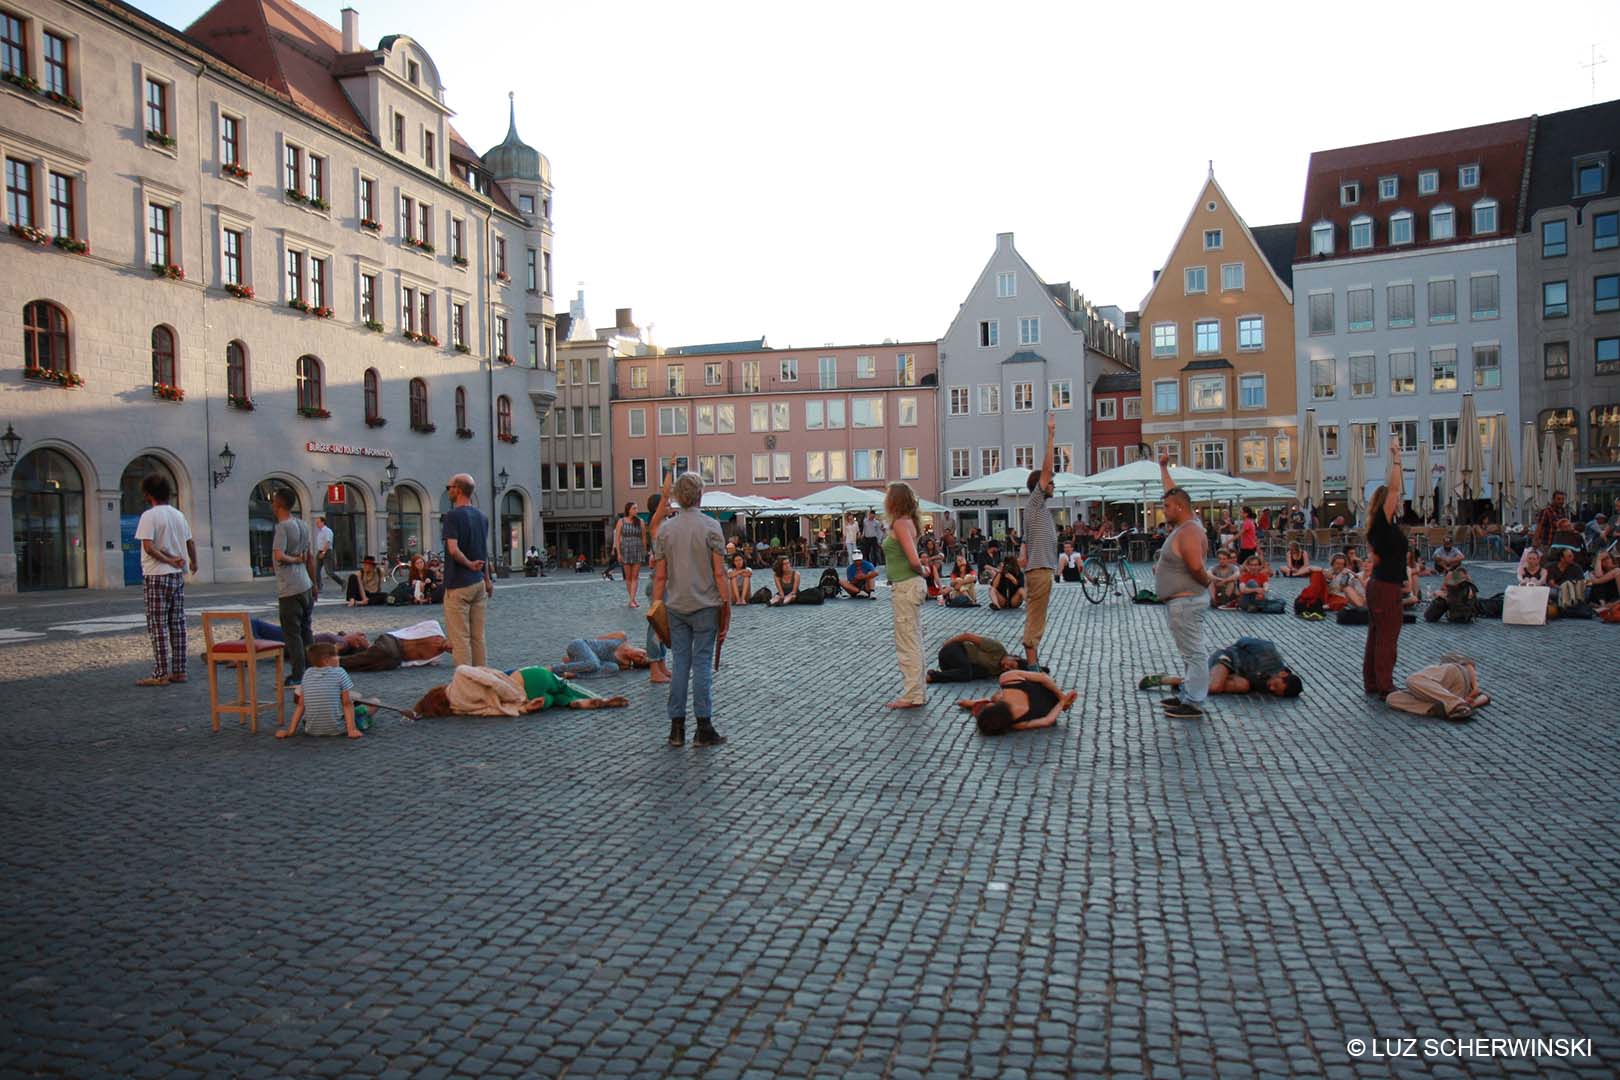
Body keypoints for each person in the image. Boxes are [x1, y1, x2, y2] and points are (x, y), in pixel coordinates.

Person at [652, 472, 730, 747]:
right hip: (706, 605)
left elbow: (660, 577)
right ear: (699, 495)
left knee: (680, 665)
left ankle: (676, 729)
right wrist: (727, 606)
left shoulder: (665, 530)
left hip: (676, 605)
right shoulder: (711, 526)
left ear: (677, 497)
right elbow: (719, 574)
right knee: (702, 664)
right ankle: (703, 727)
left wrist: (655, 611)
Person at [1154, 449, 1213, 719]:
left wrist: (1207, 582)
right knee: (1189, 652)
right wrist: (1163, 468)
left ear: (1179, 508)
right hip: (1182, 601)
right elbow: (1173, 493)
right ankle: (1188, 694)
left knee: (1194, 652)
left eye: (1166, 507)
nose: (1163, 511)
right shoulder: (1188, 524)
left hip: (1187, 601)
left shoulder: (1189, 531)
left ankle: (1194, 701)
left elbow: (1196, 567)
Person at [132, 473, 197, 687]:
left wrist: (168, 560)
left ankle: (160, 673)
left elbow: (148, 547)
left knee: (158, 625)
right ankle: (179, 671)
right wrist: (193, 562)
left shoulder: (149, 516)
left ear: (149, 494)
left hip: (156, 574)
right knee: (177, 624)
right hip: (177, 575)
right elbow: (190, 542)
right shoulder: (178, 515)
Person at [411, 664, 629, 718]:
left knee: (555, 698)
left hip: (528, 701)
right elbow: (492, 681)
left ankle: (573, 703)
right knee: (562, 684)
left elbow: (491, 711)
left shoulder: (460, 708)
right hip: (523, 680)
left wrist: (522, 707)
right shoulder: (460, 674)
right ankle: (597, 699)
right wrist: (515, 694)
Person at [1363, 439, 1408, 698]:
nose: (1399, 499)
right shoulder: (1382, 522)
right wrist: (1397, 457)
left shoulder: (1378, 527)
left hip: (1379, 585)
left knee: (1377, 635)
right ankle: (1384, 685)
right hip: (1386, 586)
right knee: (1387, 637)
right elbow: (1393, 488)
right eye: (1395, 499)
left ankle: (1373, 681)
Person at [882, 481, 929, 710]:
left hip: (905, 586)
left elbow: (913, 559)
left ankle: (913, 694)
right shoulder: (908, 522)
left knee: (907, 642)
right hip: (908, 585)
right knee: (913, 639)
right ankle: (917, 692)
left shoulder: (901, 523)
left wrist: (923, 570)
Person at [1018, 413, 1059, 670]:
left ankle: (1033, 660)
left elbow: (1025, 538)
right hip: (1040, 570)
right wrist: (1051, 435)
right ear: (1040, 486)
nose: (1053, 485)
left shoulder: (1036, 509)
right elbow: (1046, 469)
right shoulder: (1035, 502)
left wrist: (1023, 552)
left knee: (1037, 615)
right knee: (1036, 617)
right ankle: (1032, 665)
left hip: (1039, 569)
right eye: (1051, 483)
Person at [1139, 636, 1304, 698]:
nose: (1271, 689)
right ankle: (1167, 680)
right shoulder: (1268, 651)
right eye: (1276, 685)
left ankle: (1186, 682)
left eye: (1276, 692)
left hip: (1237, 674)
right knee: (1215, 687)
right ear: (1282, 675)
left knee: (1243, 686)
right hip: (1227, 658)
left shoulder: (1270, 682)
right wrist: (1238, 657)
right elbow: (1243, 641)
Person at [441, 473, 492, 668]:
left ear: (457, 489)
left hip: (458, 584)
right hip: (478, 583)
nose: (448, 491)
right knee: (478, 637)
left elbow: (453, 550)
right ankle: (482, 676)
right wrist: (487, 579)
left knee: (460, 638)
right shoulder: (482, 517)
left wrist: (469, 564)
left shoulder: (452, 516)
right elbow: (484, 551)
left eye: (449, 487)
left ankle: (466, 680)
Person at [271, 488, 317, 685]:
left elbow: (279, 555)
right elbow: (310, 557)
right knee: (306, 630)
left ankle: (298, 674)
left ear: (278, 505)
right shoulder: (303, 525)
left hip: (289, 587)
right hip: (305, 584)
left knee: (292, 633)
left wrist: (294, 559)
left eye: (274, 501)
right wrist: (314, 584)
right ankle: (314, 668)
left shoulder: (282, 527)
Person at [275, 643, 362, 739]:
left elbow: (300, 705)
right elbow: (347, 704)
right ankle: (356, 725)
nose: (339, 658)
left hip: (310, 730)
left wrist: (290, 731)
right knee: (370, 706)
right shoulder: (340, 672)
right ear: (326, 660)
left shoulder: (307, 673)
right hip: (337, 729)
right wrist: (351, 730)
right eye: (336, 655)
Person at [955, 669, 1077, 736]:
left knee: (995, 697)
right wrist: (1062, 698)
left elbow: (1047, 721)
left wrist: (1062, 703)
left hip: (1051, 705)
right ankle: (975, 703)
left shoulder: (1016, 724)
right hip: (1047, 690)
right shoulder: (1007, 678)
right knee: (995, 697)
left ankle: (974, 703)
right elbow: (1043, 677)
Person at [643, 474, 675, 685]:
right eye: (667, 504)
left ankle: (662, 664)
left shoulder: (666, 526)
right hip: (657, 583)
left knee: (665, 625)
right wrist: (670, 469)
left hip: (666, 581)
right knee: (656, 625)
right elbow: (665, 495)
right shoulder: (656, 525)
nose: (670, 505)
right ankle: (654, 668)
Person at [927, 632, 1028, 683]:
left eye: (1009, 670)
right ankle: (932, 676)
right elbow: (967, 636)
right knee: (966, 673)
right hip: (955, 650)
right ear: (1015, 657)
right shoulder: (998, 649)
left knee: (980, 673)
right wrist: (946, 644)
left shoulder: (998, 671)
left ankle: (945, 674)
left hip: (954, 667)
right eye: (1011, 665)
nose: (1006, 667)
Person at [551, 631, 651, 677]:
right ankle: (553, 669)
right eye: (644, 654)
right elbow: (596, 640)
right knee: (593, 663)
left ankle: (574, 672)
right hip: (581, 645)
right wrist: (583, 654)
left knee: (613, 668)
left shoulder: (624, 664)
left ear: (636, 663)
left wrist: (579, 660)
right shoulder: (621, 636)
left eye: (640, 660)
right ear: (642, 648)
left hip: (586, 661)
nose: (640, 656)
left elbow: (602, 669)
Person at [612, 502, 647, 608]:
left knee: (635, 576)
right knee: (628, 577)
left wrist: (644, 551)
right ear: (628, 510)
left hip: (637, 549)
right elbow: (617, 538)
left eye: (637, 508)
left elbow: (644, 538)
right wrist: (618, 553)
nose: (636, 510)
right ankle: (632, 599)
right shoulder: (621, 521)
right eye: (634, 508)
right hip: (625, 550)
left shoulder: (640, 521)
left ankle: (631, 600)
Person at [314, 515, 343, 588]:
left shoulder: (327, 531)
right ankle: (319, 586)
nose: (317, 524)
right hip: (320, 551)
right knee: (316, 570)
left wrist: (323, 552)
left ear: (323, 522)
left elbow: (328, 542)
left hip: (327, 552)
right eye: (316, 523)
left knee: (329, 572)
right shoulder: (320, 532)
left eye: (318, 522)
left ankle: (342, 582)